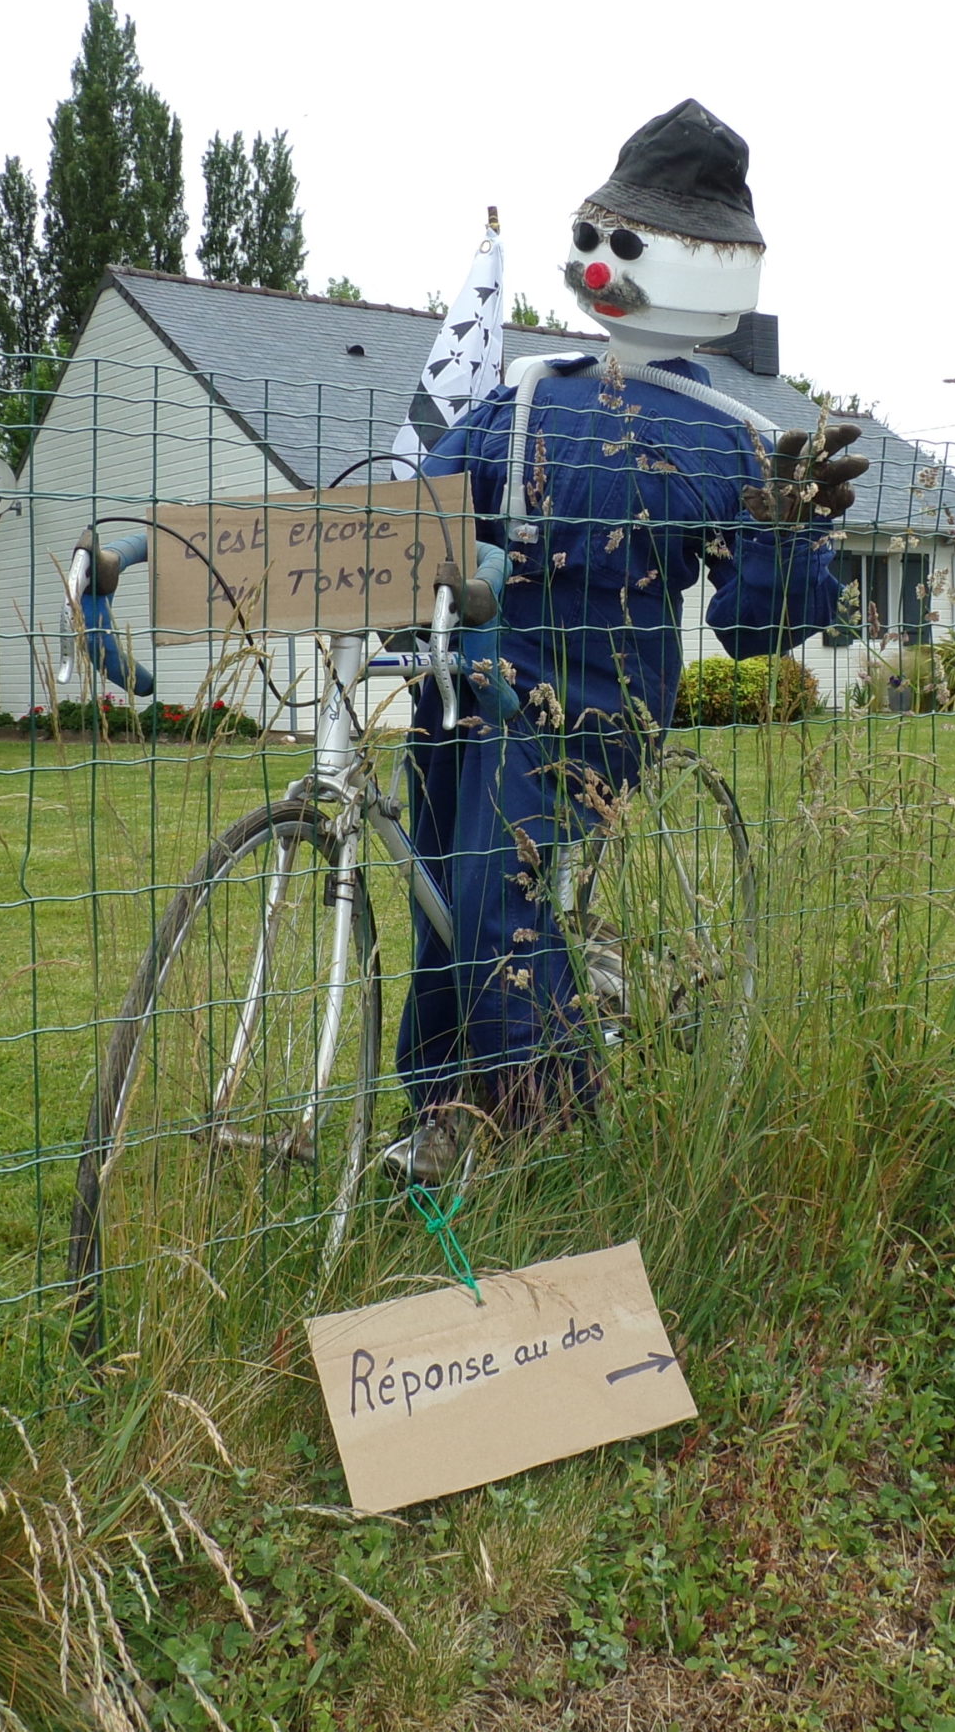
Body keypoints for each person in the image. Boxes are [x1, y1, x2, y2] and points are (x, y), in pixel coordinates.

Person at [382, 100, 868, 1185]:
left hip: (593, 700)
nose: (602, 268)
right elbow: (413, 522)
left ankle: (546, 1117)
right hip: (462, 684)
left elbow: (755, 627)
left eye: (629, 246)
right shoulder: (522, 395)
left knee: (491, 888)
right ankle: (447, 1104)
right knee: (436, 890)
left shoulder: (735, 437)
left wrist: (787, 537)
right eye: (592, 240)